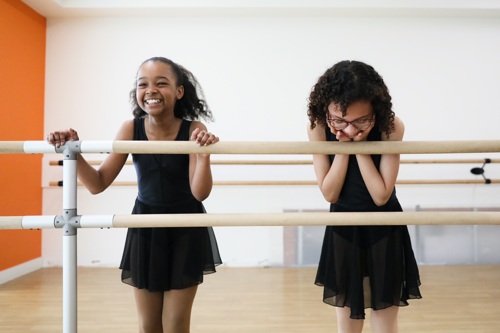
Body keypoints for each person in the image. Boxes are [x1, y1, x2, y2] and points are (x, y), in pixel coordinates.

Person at [47, 56, 222, 333]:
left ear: (179, 92)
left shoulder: (194, 130)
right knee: (149, 325)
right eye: (143, 84)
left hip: (186, 228)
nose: (150, 89)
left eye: (161, 83)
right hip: (145, 227)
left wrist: (204, 156)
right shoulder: (131, 128)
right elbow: (98, 183)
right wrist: (73, 150)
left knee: (175, 324)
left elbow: (199, 193)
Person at [306, 60, 422, 333]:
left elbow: (381, 194)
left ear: (376, 111)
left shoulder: (391, 126)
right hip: (344, 227)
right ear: (326, 109)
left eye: (360, 120)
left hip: (385, 228)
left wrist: (359, 147)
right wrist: (344, 145)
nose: (346, 127)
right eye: (339, 119)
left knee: (385, 321)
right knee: (348, 322)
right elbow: (330, 192)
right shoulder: (319, 126)